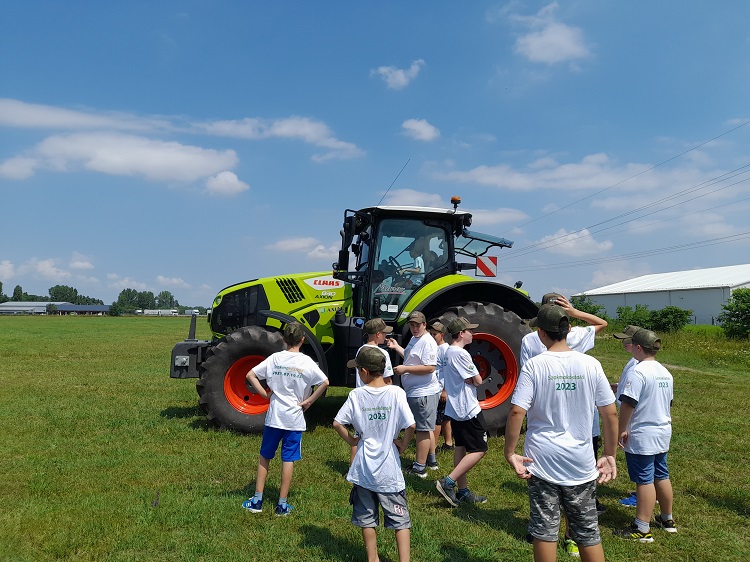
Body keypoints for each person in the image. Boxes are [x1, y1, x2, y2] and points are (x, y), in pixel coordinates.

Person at [505, 304, 618, 562]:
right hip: (581, 461)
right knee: (588, 532)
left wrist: (510, 452)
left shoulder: (534, 366)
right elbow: (610, 413)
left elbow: (516, 412)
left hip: (541, 461)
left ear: (542, 333)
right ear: (568, 330)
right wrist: (609, 454)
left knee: (545, 532)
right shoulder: (591, 364)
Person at [333, 346, 416, 562]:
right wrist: (403, 445)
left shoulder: (356, 395)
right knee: (400, 520)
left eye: (358, 370)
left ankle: (373, 559)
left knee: (367, 518)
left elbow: (337, 423)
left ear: (365, 372)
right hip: (389, 470)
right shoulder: (397, 392)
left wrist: (352, 440)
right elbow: (411, 425)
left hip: (363, 469)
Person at [242, 322, 329, 516]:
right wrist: (309, 401)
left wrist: (265, 395)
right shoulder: (306, 362)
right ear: (303, 340)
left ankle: (257, 500)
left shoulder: (274, 358)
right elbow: (325, 382)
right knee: (288, 459)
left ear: (283, 339)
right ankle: (282, 505)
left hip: (274, 417)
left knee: (265, 456)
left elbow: (250, 375)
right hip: (294, 419)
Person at [615, 329, 676, 542]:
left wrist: (621, 429)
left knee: (644, 480)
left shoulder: (637, 372)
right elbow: (669, 403)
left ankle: (642, 528)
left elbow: (628, 404)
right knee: (662, 474)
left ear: (639, 348)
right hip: (662, 430)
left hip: (643, 432)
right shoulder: (665, 372)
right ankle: (667, 519)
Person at [435, 317, 489, 507]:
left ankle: (463, 490)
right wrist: (474, 378)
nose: (472, 334)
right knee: (480, 449)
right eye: (469, 331)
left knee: (461, 447)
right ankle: (448, 482)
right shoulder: (461, 354)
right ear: (461, 334)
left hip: (455, 407)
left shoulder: (448, 352)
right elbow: (478, 380)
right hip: (468, 408)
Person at [387, 311, 440, 478]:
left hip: (423, 393)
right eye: (412, 325)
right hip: (417, 392)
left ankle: (420, 468)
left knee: (423, 430)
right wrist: (397, 348)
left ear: (424, 325)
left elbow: (430, 367)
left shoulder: (428, 342)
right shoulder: (415, 339)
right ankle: (431, 461)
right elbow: (412, 358)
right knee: (426, 427)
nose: (414, 328)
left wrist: (405, 369)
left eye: (418, 325)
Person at [348, 317, 395, 462]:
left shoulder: (361, 351)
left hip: (362, 398)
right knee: (379, 434)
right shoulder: (383, 354)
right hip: (378, 399)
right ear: (377, 334)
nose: (386, 336)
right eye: (384, 333)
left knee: (359, 434)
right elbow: (387, 379)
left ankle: (353, 467)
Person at [611, 325, 641, 508]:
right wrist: (617, 387)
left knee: (639, 460)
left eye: (626, 340)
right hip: (631, 416)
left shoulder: (638, 364)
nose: (623, 343)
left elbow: (633, 396)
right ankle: (644, 490)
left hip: (633, 419)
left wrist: (623, 428)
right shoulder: (634, 361)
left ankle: (642, 494)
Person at [428, 319, 454, 453]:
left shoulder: (445, 349)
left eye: (434, 335)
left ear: (442, 335)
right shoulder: (437, 348)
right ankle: (448, 443)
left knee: (437, 419)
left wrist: (445, 390)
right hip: (438, 387)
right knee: (445, 416)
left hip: (441, 388)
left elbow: (447, 371)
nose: (432, 337)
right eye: (430, 334)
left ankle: (435, 445)